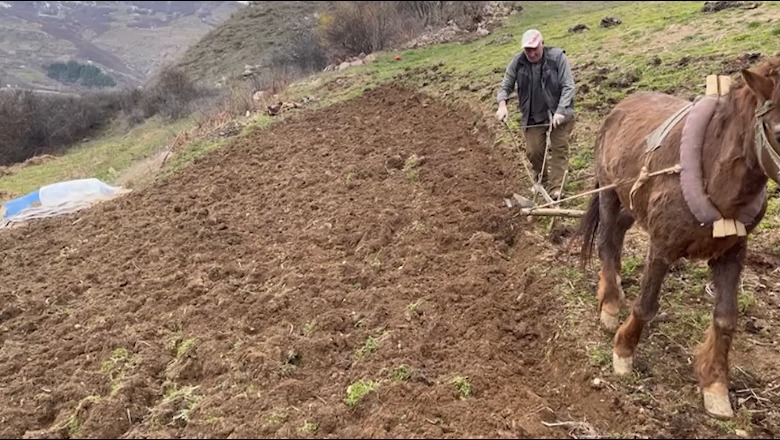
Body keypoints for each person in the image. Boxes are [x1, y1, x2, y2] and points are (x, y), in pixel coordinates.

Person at [495, 28, 576, 199]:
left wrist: (560, 111)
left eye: (534, 49)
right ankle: (542, 181)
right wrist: (502, 105)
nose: (531, 54)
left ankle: (556, 188)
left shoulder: (557, 57)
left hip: (559, 113)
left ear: (542, 44)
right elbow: (505, 86)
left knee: (559, 148)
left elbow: (569, 86)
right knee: (534, 151)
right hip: (533, 115)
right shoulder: (518, 62)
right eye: (527, 50)